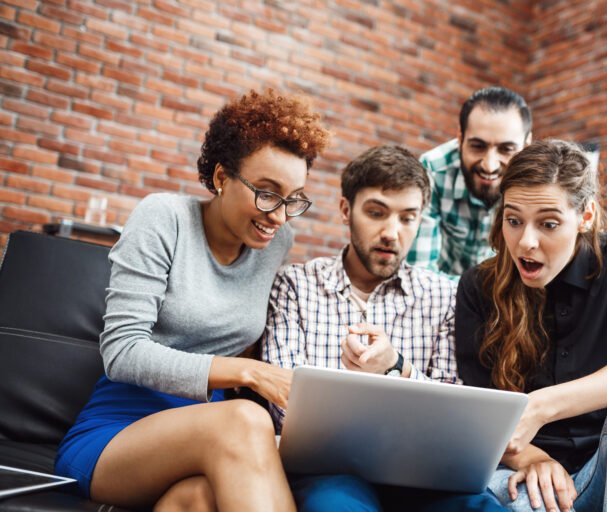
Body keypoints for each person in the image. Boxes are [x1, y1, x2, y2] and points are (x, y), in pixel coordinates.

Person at [54, 89, 330, 511]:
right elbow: (122, 352)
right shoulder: (164, 217)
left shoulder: (275, 243)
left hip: (211, 440)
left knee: (196, 500)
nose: (279, 215)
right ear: (221, 178)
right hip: (120, 433)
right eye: (268, 193)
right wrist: (248, 372)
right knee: (243, 418)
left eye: (293, 199)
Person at [261, 145, 504, 512]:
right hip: (330, 471)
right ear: (346, 210)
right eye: (376, 213)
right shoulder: (296, 285)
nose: (392, 232)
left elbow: (457, 409)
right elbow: (283, 407)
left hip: (429, 473)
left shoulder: (444, 295)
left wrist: (397, 368)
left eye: (408, 218)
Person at [455, 139, 607, 511]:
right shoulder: (477, 288)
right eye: (513, 221)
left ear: (586, 216)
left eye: (548, 224)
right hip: (524, 473)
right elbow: (481, 417)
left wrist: (542, 406)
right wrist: (532, 459)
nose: (526, 242)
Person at [406, 86, 533, 278]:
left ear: (526, 145)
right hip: (441, 298)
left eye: (506, 149)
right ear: (460, 138)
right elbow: (419, 274)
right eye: (478, 146)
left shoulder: (539, 185)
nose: (489, 166)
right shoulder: (432, 170)